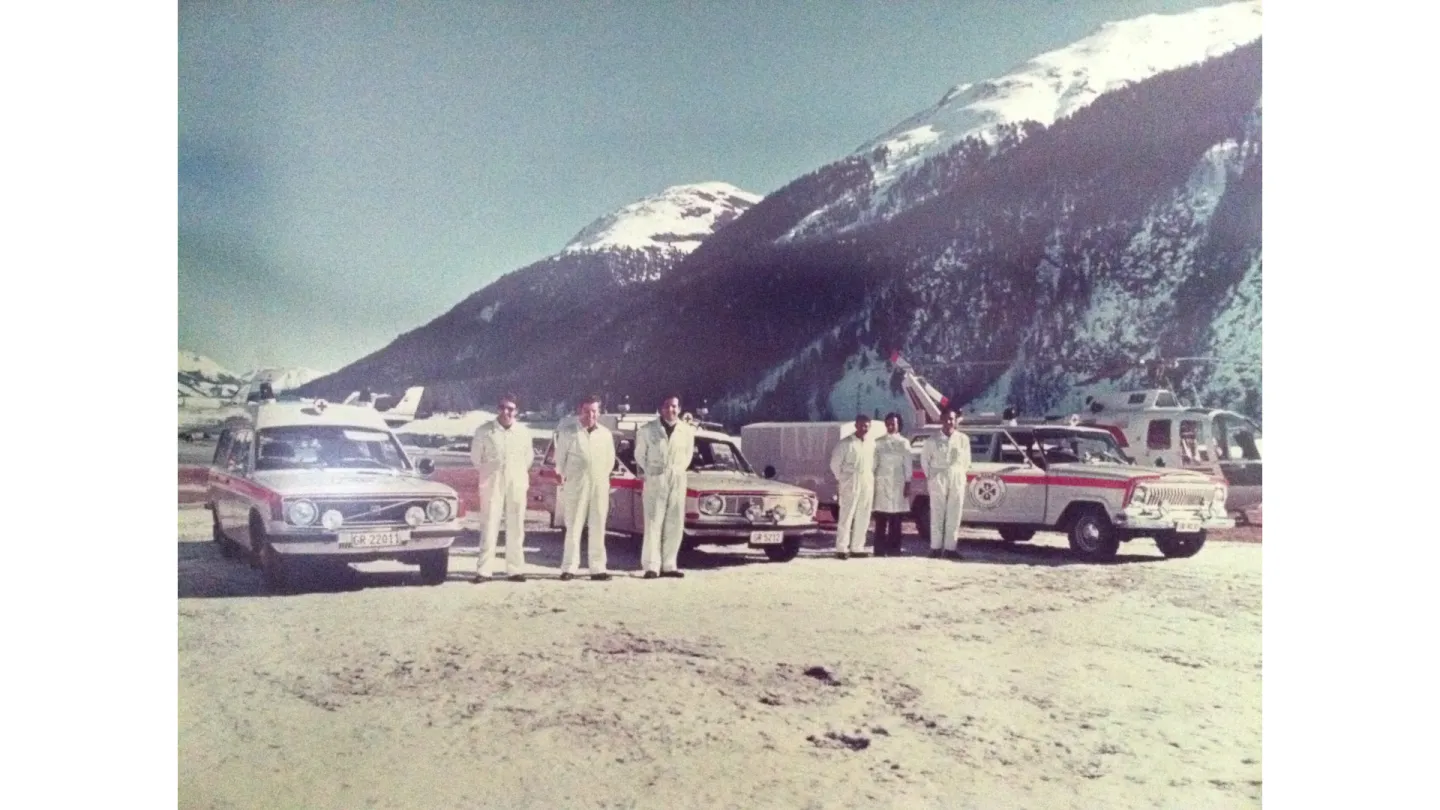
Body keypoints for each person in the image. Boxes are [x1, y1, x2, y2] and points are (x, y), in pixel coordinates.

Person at [470, 393, 533, 582]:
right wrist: (491, 473)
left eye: (510, 409)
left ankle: (515, 570)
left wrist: (515, 473)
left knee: (516, 525)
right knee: (489, 524)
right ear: (497, 408)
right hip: (492, 482)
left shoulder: (523, 432)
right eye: (502, 407)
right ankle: (484, 570)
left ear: (517, 411)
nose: (506, 412)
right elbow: (475, 458)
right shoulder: (484, 431)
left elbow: (528, 459)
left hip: (517, 482)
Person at [554, 395, 617, 581]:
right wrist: (567, 476)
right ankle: (569, 568)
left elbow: (609, 461)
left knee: (598, 526)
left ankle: (597, 568)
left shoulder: (605, 434)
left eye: (594, 411)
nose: (590, 415)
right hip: (576, 484)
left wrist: (599, 477)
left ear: (599, 412)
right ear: (579, 411)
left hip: (598, 485)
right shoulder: (568, 432)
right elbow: (560, 461)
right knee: (573, 526)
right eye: (586, 411)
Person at [635, 395, 695, 579]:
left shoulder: (687, 431)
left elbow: (687, 455)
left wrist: (676, 470)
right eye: (667, 406)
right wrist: (652, 472)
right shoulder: (647, 430)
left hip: (677, 478)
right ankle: (652, 565)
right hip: (656, 478)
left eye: (675, 406)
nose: (671, 410)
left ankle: (669, 565)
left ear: (680, 408)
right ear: (661, 409)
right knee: (653, 522)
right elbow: (639, 455)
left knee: (675, 522)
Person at [920, 409, 971, 559]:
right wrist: (931, 477)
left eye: (952, 419)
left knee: (954, 513)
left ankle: (950, 548)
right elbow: (925, 461)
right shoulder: (932, 440)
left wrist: (959, 474)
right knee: (937, 512)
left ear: (956, 421)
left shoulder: (963, 439)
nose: (949, 422)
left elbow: (966, 461)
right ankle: (935, 548)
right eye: (947, 419)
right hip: (938, 476)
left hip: (956, 476)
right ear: (941, 420)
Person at [829, 414, 877, 559]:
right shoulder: (845, 443)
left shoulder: (872, 443)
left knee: (864, 514)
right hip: (850, 481)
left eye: (867, 426)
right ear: (856, 425)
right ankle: (842, 548)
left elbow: (874, 464)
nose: (864, 428)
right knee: (846, 514)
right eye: (861, 425)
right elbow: (834, 464)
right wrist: (843, 479)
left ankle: (857, 547)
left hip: (866, 480)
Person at [871, 412, 911, 556]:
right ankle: (879, 549)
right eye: (887, 423)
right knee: (881, 517)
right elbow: (873, 464)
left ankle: (894, 549)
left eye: (893, 423)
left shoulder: (904, 443)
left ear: (898, 424)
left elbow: (907, 464)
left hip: (898, 483)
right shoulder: (878, 442)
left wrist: (908, 482)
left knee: (896, 518)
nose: (890, 426)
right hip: (881, 482)